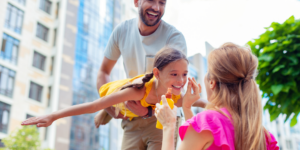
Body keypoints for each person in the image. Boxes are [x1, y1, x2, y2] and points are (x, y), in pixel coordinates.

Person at [21, 48, 205, 149]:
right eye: (174, 74)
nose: (181, 80)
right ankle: (106, 114)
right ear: (157, 73)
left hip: (140, 112)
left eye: (184, 74)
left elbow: (199, 102)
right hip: (122, 102)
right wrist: (53, 116)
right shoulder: (138, 91)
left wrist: (222, 105)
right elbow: (94, 104)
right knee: (111, 108)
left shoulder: (175, 93)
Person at [155, 43, 279, 150]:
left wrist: (168, 126)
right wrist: (187, 108)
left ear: (212, 82)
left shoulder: (207, 122)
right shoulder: (263, 135)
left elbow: (206, 132)